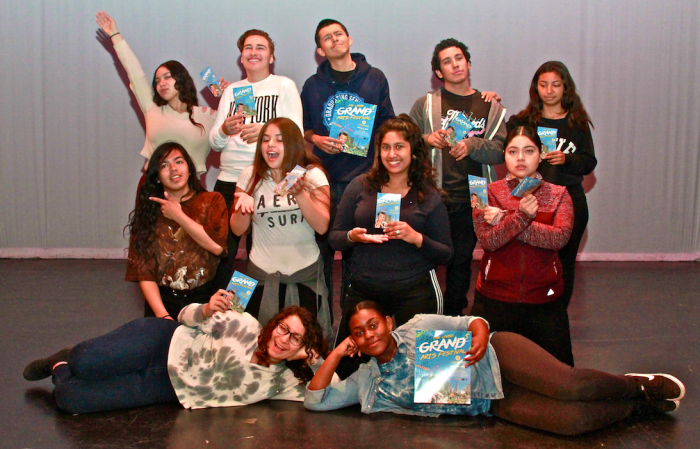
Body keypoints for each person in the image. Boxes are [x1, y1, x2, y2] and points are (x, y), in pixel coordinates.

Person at [305, 301, 686, 437]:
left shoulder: (417, 325)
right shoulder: (369, 382)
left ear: (387, 322)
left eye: (373, 324)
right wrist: (337, 355)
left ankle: (638, 385)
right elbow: (316, 401)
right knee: (571, 424)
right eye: (359, 332)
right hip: (490, 402)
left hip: (498, 356)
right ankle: (638, 406)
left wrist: (481, 336)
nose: (369, 335)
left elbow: (471, 320)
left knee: (570, 386)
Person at [23, 302, 331, 414]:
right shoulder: (245, 324)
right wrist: (206, 310)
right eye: (283, 328)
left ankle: (58, 365)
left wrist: (314, 359)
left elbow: (329, 393)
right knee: (85, 362)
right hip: (161, 342)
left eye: (295, 338)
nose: (283, 339)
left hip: (166, 389)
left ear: (301, 348)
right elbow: (184, 315)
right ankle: (70, 357)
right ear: (274, 323)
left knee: (69, 398)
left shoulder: (280, 383)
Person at [330, 115, 453, 348]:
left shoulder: (429, 195)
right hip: (365, 288)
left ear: (414, 151)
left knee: (422, 366)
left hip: (416, 290)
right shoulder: (360, 185)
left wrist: (415, 237)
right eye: (386, 147)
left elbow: (446, 254)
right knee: (350, 361)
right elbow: (335, 238)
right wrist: (352, 237)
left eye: (399, 147)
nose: (391, 154)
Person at [301, 18, 395, 316]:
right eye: (327, 38)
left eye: (338, 34)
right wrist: (315, 138)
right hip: (324, 182)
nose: (334, 40)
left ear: (349, 39)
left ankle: (354, 323)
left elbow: (386, 126)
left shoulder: (375, 79)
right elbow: (302, 130)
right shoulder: (312, 86)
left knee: (361, 256)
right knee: (323, 256)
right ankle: (325, 324)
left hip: (365, 180)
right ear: (320, 49)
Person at [409, 38, 506, 317]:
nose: (454, 64)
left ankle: (453, 320)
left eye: (459, 58)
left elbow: (501, 151)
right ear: (438, 72)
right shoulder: (426, 105)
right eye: (447, 61)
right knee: (424, 259)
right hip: (432, 197)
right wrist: (428, 138)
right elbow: (406, 140)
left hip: (472, 198)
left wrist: (473, 145)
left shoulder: (490, 105)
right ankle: (422, 318)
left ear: (469, 63)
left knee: (461, 263)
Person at [210, 29, 304, 286]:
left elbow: (296, 133)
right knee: (221, 254)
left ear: (271, 56)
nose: (253, 52)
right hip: (230, 179)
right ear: (241, 58)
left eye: (260, 47)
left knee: (260, 255)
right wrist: (224, 130)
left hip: (266, 179)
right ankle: (218, 314)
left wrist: (264, 131)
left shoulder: (284, 86)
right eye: (248, 48)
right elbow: (214, 142)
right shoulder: (231, 92)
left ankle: (257, 315)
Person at [473, 126, 575, 365]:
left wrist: (504, 219)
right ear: (504, 156)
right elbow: (489, 241)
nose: (520, 158)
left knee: (558, 376)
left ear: (540, 155)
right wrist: (519, 217)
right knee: (492, 379)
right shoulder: (486, 192)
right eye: (512, 151)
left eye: (528, 151)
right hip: (495, 298)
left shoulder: (559, 193)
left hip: (545, 300)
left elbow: (559, 238)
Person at [230, 117, 332, 338]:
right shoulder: (249, 175)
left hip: (304, 277)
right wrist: (243, 207)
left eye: (279, 140)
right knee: (258, 347)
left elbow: (322, 226)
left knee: (307, 349)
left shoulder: (313, 174)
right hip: (260, 278)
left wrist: (300, 194)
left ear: (293, 144)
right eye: (265, 140)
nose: (270, 145)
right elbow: (237, 230)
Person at [507, 61, 597, 309]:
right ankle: (531, 314)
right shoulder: (523, 122)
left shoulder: (577, 123)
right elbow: (505, 149)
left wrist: (566, 159)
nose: (549, 91)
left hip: (570, 202)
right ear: (536, 88)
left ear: (565, 88)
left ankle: (557, 315)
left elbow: (589, 162)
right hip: (531, 202)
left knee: (564, 264)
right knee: (529, 262)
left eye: (556, 85)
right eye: (543, 85)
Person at [95, 12, 217, 177]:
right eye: (158, 81)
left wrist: (227, 93)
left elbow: (241, 121)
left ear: (182, 80)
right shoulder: (152, 109)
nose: (162, 83)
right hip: (154, 188)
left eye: (167, 77)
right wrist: (115, 35)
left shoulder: (207, 116)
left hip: (191, 193)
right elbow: (134, 72)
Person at [125, 142, 228, 319]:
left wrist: (178, 215)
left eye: (179, 162)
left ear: (189, 169)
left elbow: (216, 247)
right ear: (157, 177)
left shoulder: (211, 200)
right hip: (162, 303)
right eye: (164, 165)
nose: (173, 168)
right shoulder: (149, 212)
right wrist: (162, 315)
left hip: (204, 301)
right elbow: (144, 272)